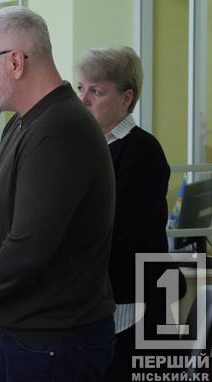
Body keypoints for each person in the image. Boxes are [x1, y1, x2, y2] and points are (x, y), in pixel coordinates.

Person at [0, 6, 116, 382]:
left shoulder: (60, 130)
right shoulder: (22, 123)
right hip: (27, 335)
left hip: (57, 343)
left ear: (15, 62)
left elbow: (29, 245)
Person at [76, 46, 184, 381]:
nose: (83, 100)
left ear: (126, 98)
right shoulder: (87, 146)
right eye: (80, 88)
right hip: (99, 298)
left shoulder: (142, 151)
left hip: (134, 302)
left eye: (96, 91)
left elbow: (117, 234)